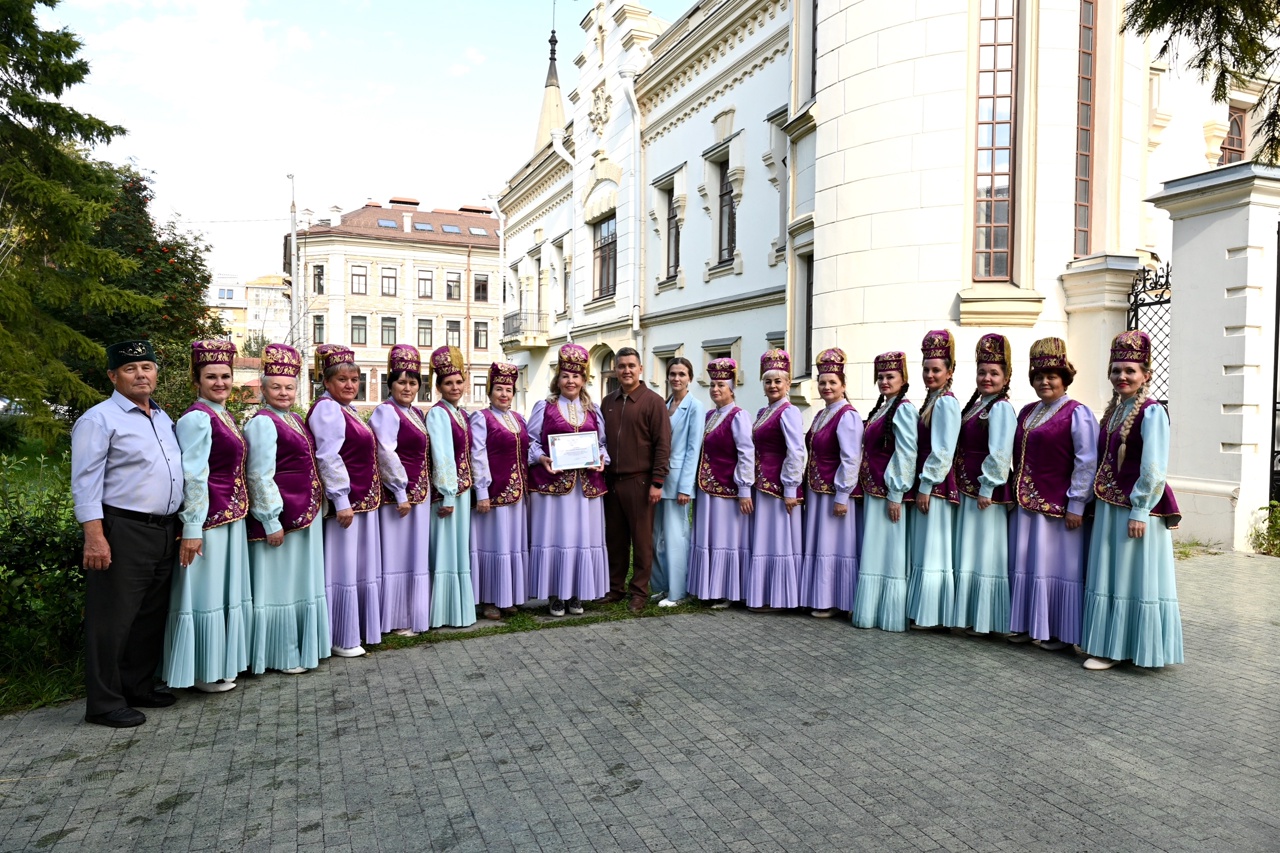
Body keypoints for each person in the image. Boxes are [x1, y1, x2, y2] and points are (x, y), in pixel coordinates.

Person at [72, 340, 184, 728]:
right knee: (112, 618)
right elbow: (85, 482)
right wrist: (94, 536)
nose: (141, 375)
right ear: (113, 376)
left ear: (156, 373)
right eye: (130, 368)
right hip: (123, 529)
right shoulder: (99, 420)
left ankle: (137, 685)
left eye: (147, 367)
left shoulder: (163, 418)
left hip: (164, 528)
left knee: (149, 615)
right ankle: (103, 703)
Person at [1080, 330, 1183, 670]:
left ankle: (1122, 649)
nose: (1122, 376)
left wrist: (1140, 509)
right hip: (1110, 505)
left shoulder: (1151, 412)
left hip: (1135, 508)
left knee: (1127, 574)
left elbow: (1154, 465)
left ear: (1146, 375)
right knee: (1111, 573)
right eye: (1116, 370)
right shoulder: (1115, 412)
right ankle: (1112, 644)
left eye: (1130, 370)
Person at [162, 339, 252, 693]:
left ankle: (219, 663)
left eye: (225, 376)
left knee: (221, 594)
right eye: (211, 376)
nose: (220, 382)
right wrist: (192, 527)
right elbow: (193, 475)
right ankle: (201, 670)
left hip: (230, 517)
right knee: (204, 593)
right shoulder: (198, 418)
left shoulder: (222, 414)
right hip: (208, 521)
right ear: (196, 380)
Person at [1007, 338, 1098, 651]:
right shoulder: (1027, 412)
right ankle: (1026, 624)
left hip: (1059, 509)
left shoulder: (1078, 413)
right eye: (1038, 376)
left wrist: (1077, 504)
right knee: (1026, 564)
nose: (1044, 382)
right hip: (1025, 506)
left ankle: (1060, 632)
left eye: (1051, 376)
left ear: (1064, 379)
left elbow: (1087, 461)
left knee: (1057, 568)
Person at [244, 343, 330, 675]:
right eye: (276, 387)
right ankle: (282, 653)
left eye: (289, 387)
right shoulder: (263, 423)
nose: (283, 392)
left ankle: (304, 647)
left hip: (304, 514)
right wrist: (270, 520)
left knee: (299, 583)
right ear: (264, 390)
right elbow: (258, 474)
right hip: (282, 517)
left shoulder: (293, 418)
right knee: (280, 584)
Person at [307, 344, 383, 658]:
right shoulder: (327, 409)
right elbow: (328, 456)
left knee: (357, 567)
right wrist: (341, 499)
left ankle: (357, 628)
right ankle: (340, 635)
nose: (350, 385)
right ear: (327, 382)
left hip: (362, 499)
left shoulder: (346, 409)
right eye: (342, 379)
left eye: (354, 379)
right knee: (343, 567)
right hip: (348, 504)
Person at [527, 343, 610, 617]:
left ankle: (576, 592)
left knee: (581, 537)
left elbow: (601, 444)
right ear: (558, 379)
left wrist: (601, 459)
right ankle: (555, 594)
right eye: (565, 375)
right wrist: (541, 458)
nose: (570, 381)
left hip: (585, 488)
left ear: (584, 379)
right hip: (553, 487)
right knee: (557, 536)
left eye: (576, 376)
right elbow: (530, 442)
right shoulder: (544, 407)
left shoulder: (593, 409)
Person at [952, 333, 1017, 636]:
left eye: (993, 373)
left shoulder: (1001, 408)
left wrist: (988, 487)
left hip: (985, 492)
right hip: (970, 487)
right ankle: (972, 615)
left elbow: (1001, 452)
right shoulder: (979, 406)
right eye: (982, 372)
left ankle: (988, 618)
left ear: (1006, 378)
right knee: (972, 551)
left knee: (986, 551)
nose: (987, 378)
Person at [601, 347, 672, 613]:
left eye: (631, 365)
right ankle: (615, 588)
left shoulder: (653, 402)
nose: (626, 370)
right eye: (621, 366)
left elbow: (663, 444)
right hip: (612, 481)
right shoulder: (608, 402)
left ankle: (639, 592)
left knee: (642, 541)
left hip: (640, 481)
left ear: (640, 369)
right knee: (615, 539)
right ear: (616, 370)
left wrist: (657, 482)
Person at [851, 352, 918, 632]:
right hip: (874, 490)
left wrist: (896, 493)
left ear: (903, 379)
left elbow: (907, 451)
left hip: (888, 492)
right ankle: (873, 612)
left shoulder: (903, 409)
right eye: (880, 377)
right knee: (876, 551)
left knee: (890, 552)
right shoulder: (883, 407)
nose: (884, 381)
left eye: (890, 376)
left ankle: (890, 613)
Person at [370, 344, 432, 637]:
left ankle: (412, 613)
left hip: (418, 494)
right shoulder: (386, 412)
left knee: (414, 555)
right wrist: (400, 492)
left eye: (413, 383)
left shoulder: (415, 412)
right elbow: (385, 452)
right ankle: (395, 618)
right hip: (399, 498)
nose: (407, 388)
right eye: (401, 382)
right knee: (397, 555)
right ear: (390, 384)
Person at [799, 348, 862, 618]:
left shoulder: (847, 415)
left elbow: (851, 458)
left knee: (835, 546)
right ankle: (820, 597)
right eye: (822, 382)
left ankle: (837, 600)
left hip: (834, 492)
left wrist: (842, 494)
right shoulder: (822, 414)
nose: (826, 387)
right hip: (817, 490)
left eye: (832, 382)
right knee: (821, 544)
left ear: (843, 385)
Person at [687, 358, 754, 608]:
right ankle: (708, 588)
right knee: (709, 537)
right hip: (707, 488)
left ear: (732, 389)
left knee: (726, 539)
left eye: (721, 385)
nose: (715, 389)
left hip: (727, 489)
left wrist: (744, 489)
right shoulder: (710, 416)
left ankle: (727, 591)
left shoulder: (739, 416)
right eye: (712, 385)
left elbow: (746, 453)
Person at [906, 330, 961, 629]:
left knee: (933, 548)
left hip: (936, 486)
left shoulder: (946, 403)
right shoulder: (932, 400)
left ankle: (935, 614)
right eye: (926, 369)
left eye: (936, 370)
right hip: (926, 483)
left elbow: (943, 450)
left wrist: (927, 486)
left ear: (949, 372)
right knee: (924, 547)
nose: (930, 375)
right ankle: (925, 611)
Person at [746, 349, 805, 613]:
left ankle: (781, 598)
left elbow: (796, 451)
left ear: (788, 383)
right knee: (767, 540)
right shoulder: (765, 411)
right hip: (763, 484)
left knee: (779, 540)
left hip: (779, 488)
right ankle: (767, 593)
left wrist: (790, 487)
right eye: (768, 381)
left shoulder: (789, 411)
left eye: (778, 381)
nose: (772, 386)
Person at [470, 362, 531, 620]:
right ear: (490, 391)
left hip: (518, 494)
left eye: (508, 390)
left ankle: (507, 596)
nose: (504, 394)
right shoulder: (481, 418)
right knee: (493, 545)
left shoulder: (518, 418)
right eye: (498, 389)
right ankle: (488, 599)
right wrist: (482, 491)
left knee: (511, 544)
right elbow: (477, 454)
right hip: (494, 493)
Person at [425, 345, 478, 628]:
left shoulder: (459, 413)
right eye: (448, 383)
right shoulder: (438, 414)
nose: (455, 387)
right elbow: (442, 455)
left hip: (461, 491)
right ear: (438, 387)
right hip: (448, 494)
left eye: (459, 382)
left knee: (458, 548)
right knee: (446, 547)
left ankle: (457, 609)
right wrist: (447, 494)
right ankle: (444, 612)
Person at [651, 357, 704, 607]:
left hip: (678, 483)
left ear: (690, 378)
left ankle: (678, 592)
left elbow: (693, 449)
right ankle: (662, 586)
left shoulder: (695, 407)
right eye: (672, 374)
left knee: (676, 538)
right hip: (659, 479)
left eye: (682, 374)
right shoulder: (665, 404)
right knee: (657, 537)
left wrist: (686, 487)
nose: (676, 378)